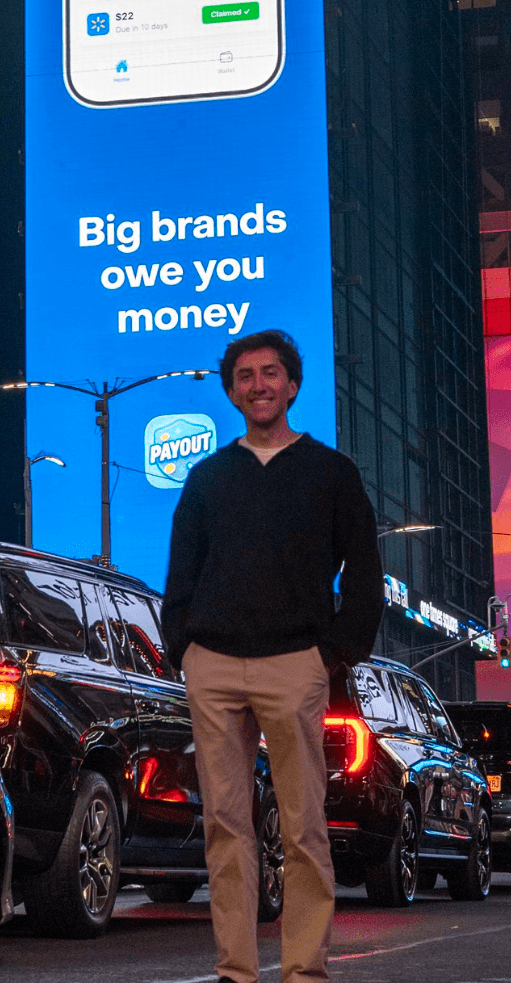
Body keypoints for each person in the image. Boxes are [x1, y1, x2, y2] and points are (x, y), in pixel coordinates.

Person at [161, 329, 383, 983]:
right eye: (245, 376)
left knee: (304, 828)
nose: (258, 385)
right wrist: (185, 648)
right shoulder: (206, 478)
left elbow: (365, 575)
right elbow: (182, 573)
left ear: (291, 385)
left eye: (271, 373)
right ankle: (236, 970)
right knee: (226, 830)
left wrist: (333, 653)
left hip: (296, 664)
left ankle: (304, 972)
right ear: (231, 391)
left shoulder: (332, 473)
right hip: (215, 668)